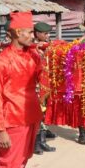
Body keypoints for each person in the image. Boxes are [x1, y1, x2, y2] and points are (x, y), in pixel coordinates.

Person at [0, 11, 46, 168]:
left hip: (31, 117)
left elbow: (44, 80)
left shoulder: (33, 56)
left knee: (20, 164)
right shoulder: (0, 61)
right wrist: (1, 129)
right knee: (6, 166)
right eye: (29, 32)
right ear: (16, 32)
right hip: (11, 120)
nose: (33, 36)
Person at [32, 22, 56, 154]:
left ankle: (42, 141)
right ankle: (35, 144)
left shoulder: (47, 46)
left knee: (45, 114)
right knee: (37, 115)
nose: (48, 36)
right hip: (35, 87)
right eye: (45, 33)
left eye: (48, 33)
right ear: (37, 33)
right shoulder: (32, 47)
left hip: (46, 87)